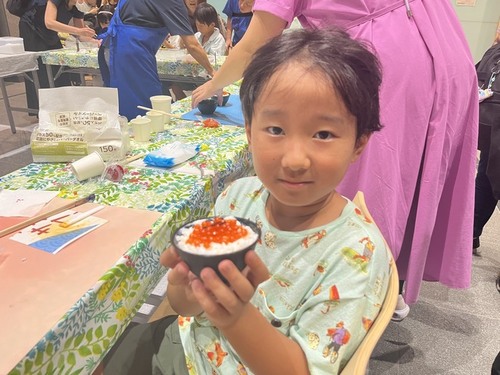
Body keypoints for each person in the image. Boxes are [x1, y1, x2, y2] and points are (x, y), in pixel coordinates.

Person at [102, 27, 392, 375]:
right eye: (275, 130)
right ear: (249, 131)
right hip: (186, 347)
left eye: (323, 134)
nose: (295, 159)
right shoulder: (238, 197)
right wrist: (184, 289)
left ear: (359, 143)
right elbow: (186, 310)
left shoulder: (355, 254)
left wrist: (236, 316)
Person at [191, 0, 479, 320]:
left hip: (387, 57)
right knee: (399, 181)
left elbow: (256, 43)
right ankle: (385, 283)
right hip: (441, 41)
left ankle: (364, 290)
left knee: (372, 188)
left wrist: (213, 83)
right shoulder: (237, 198)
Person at [97, 0, 216, 120]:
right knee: (146, 110)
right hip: (129, 50)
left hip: (114, 46)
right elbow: (192, 45)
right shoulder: (172, 3)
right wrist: (212, 73)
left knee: (126, 105)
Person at [18, 0, 97, 110]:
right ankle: (42, 109)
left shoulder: (78, 8)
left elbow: (80, 34)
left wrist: (96, 41)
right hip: (32, 28)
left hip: (50, 33)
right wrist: (78, 31)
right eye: (89, 4)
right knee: (40, 69)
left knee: (60, 66)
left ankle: (63, 106)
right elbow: (49, 22)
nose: (89, 7)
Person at [171, 2, 226, 100]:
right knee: (173, 84)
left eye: (201, 26)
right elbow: (188, 52)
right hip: (193, 76)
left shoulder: (219, 39)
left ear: (212, 25)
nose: (198, 28)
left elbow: (214, 59)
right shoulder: (197, 36)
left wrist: (195, 55)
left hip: (208, 78)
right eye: (197, 25)